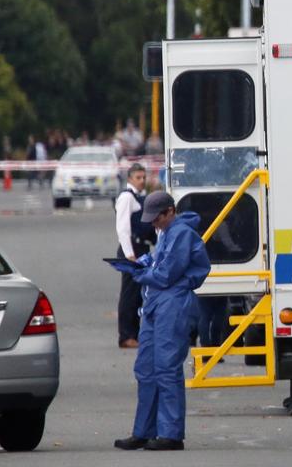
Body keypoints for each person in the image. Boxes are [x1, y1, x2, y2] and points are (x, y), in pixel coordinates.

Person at [112, 191, 211, 451]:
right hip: (157, 303)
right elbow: (162, 266)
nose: (153, 224)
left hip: (173, 303)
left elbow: (166, 275)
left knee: (166, 369)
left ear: (170, 211)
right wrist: (147, 263)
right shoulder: (168, 232)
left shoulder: (182, 233)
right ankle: (144, 430)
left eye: (156, 219)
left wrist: (139, 272)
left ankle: (171, 433)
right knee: (146, 369)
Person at [114, 164, 154, 348]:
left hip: (141, 249)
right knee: (129, 294)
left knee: (139, 294)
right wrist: (129, 254)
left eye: (143, 177)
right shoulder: (126, 198)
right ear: (130, 179)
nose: (142, 181)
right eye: (138, 177)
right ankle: (126, 335)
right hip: (131, 250)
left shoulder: (139, 197)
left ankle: (136, 333)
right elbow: (123, 228)